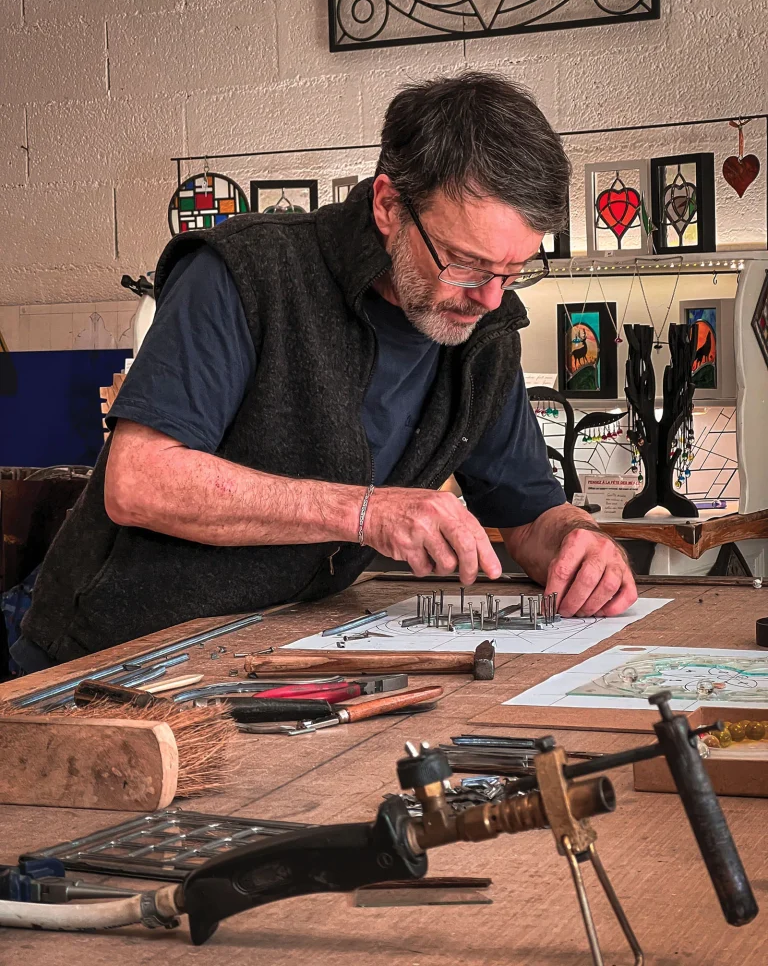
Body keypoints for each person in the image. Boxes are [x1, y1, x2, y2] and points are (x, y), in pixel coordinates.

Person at [13, 70, 636, 671]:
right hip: (110, 659)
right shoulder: (250, 271)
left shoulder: (483, 333)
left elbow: (529, 516)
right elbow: (139, 482)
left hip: (268, 657)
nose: (490, 297)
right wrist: (366, 512)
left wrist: (580, 541)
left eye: (514, 271)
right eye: (465, 263)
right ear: (389, 204)